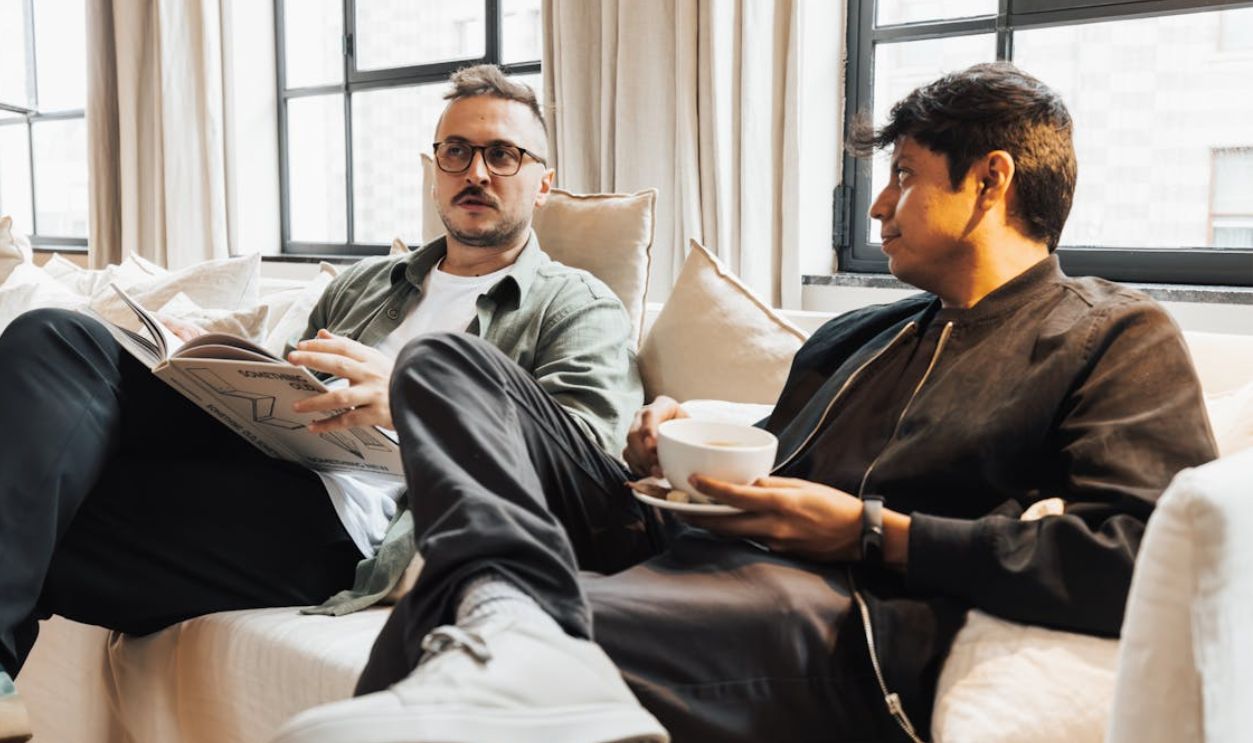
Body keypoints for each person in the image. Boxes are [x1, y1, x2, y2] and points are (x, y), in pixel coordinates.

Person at [271, 62, 1217, 743]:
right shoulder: (862, 333)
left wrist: (870, 531)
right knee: (443, 363)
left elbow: (1143, 558)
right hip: (681, 543)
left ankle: (505, 611)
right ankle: (509, 607)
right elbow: (765, 459)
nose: (878, 208)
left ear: (990, 180)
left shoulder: (1108, 334)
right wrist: (665, 449)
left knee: (455, 619)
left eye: (902, 175)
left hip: (828, 607)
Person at [0, 64, 642, 743]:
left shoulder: (575, 305)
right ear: (435, 170)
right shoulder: (364, 285)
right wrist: (202, 364)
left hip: (355, 528)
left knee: (34, 512)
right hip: (269, 463)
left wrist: (411, 401)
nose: (475, 172)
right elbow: (287, 389)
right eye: (456, 151)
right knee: (56, 338)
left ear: (543, 183)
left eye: (503, 154)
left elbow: (583, 465)